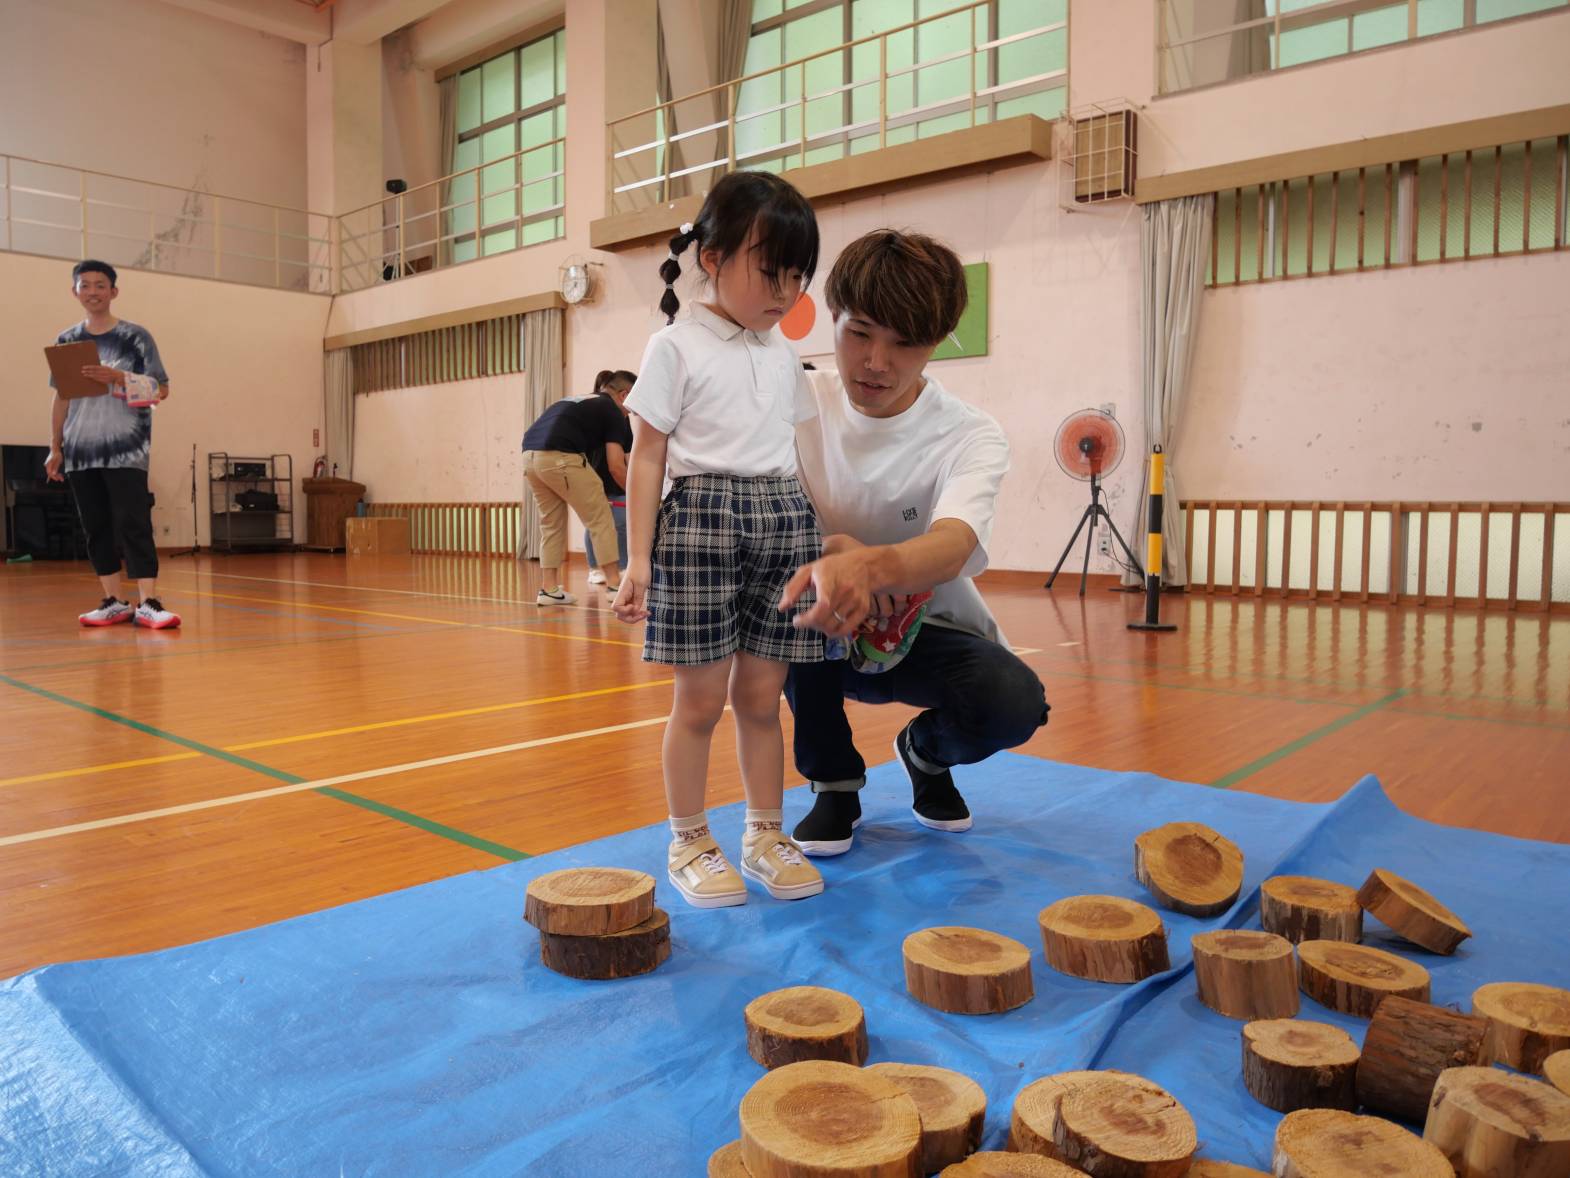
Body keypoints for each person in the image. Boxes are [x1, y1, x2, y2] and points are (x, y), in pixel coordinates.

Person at [777, 229, 1050, 856]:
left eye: (906, 343)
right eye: (859, 333)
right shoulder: (794, 401)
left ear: (938, 340)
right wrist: (833, 557)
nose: (877, 362)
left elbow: (953, 544)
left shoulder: (970, 433)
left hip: (927, 633)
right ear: (831, 317)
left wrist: (870, 567)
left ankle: (925, 753)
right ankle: (834, 781)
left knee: (1016, 704)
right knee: (789, 601)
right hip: (821, 632)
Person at [613, 171, 825, 909]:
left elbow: (806, 454)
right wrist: (638, 559)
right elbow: (647, 455)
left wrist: (828, 537)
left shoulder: (782, 353)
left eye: (797, 276)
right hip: (702, 520)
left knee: (763, 698)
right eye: (771, 272)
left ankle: (765, 833)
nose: (785, 292)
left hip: (783, 521)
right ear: (712, 258)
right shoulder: (674, 346)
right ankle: (689, 840)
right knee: (700, 701)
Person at [45, 259, 179, 629]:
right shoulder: (67, 341)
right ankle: (113, 601)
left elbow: (162, 390)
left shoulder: (136, 337)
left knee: (134, 523)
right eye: (84, 285)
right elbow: (61, 397)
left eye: (100, 285)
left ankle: (148, 602)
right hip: (81, 451)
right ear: (75, 292)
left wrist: (118, 376)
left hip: (127, 450)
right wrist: (55, 447)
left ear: (113, 291)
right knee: (95, 527)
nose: (92, 291)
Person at [521, 371, 632, 604]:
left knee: (551, 523)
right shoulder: (612, 410)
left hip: (530, 457)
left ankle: (549, 589)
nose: (632, 411)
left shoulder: (581, 399)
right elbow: (616, 466)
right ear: (624, 395)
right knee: (601, 517)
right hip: (561, 456)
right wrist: (637, 498)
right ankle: (615, 585)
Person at [582, 369, 637, 585]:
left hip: (616, 475)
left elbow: (628, 452)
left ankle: (622, 566)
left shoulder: (622, 417)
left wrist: (634, 482)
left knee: (621, 521)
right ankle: (595, 568)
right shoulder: (597, 409)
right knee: (596, 523)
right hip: (594, 473)